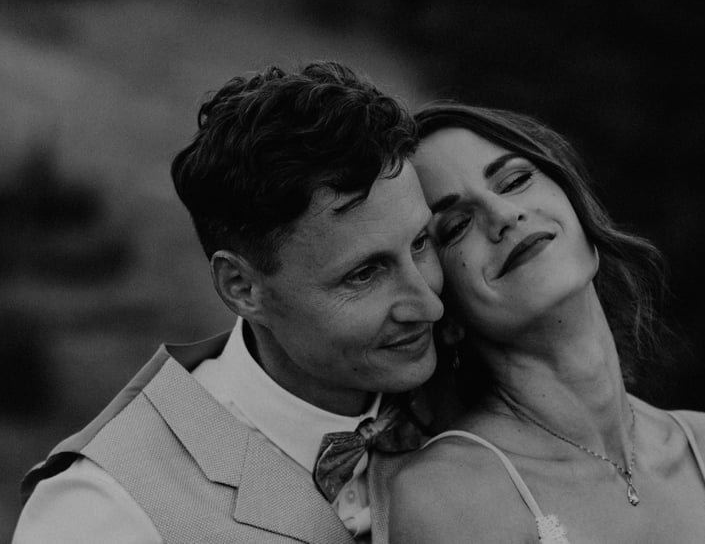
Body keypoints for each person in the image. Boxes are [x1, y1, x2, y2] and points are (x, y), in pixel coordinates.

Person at [13, 61, 444, 544]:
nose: (430, 306)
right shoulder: (100, 510)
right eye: (363, 274)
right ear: (242, 287)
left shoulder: (473, 387)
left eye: (421, 243)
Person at [389, 103, 705, 544]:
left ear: (578, 209)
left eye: (514, 181)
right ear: (446, 312)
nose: (503, 214)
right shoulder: (448, 498)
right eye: (457, 225)